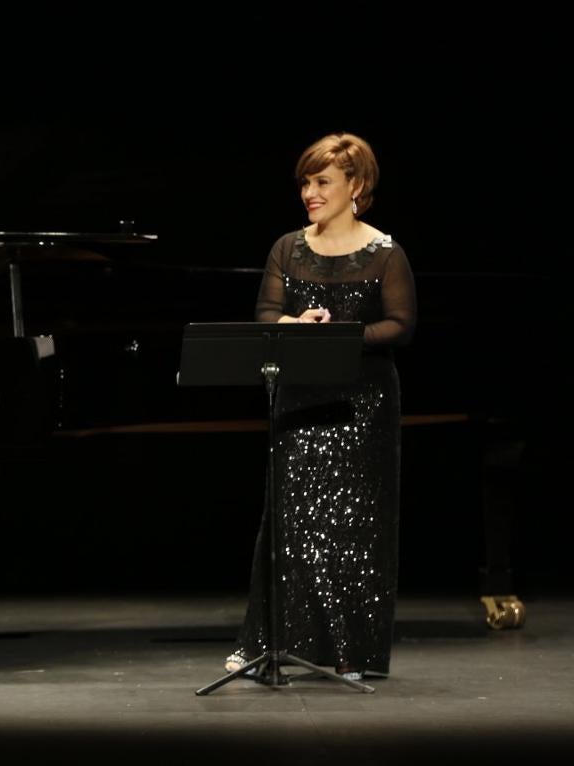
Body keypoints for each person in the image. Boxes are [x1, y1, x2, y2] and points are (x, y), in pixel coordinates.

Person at [226, 133, 416, 681]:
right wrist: (294, 326)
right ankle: (267, 642)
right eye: (306, 182)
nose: (310, 192)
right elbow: (266, 313)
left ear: (356, 186)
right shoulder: (288, 247)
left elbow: (400, 326)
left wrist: (341, 338)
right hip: (300, 399)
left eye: (322, 181)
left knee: (356, 529)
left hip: (362, 405)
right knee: (287, 522)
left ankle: (351, 651)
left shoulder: (385, 253)